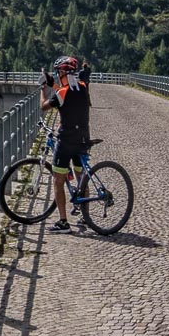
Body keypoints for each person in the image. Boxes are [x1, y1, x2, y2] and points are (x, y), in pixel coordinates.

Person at [42, 55, 94, 228]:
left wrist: (44, 88)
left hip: (66, 141)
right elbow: (65, 93)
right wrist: (53, 85)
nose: (57, 75)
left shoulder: (62, 93)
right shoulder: (83, 87)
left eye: (58, 72)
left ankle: (63, 222)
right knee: (81, 177)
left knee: (58, 179)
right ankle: (85, 216)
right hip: (83, 139)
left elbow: (45, 106)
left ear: (63, 71)